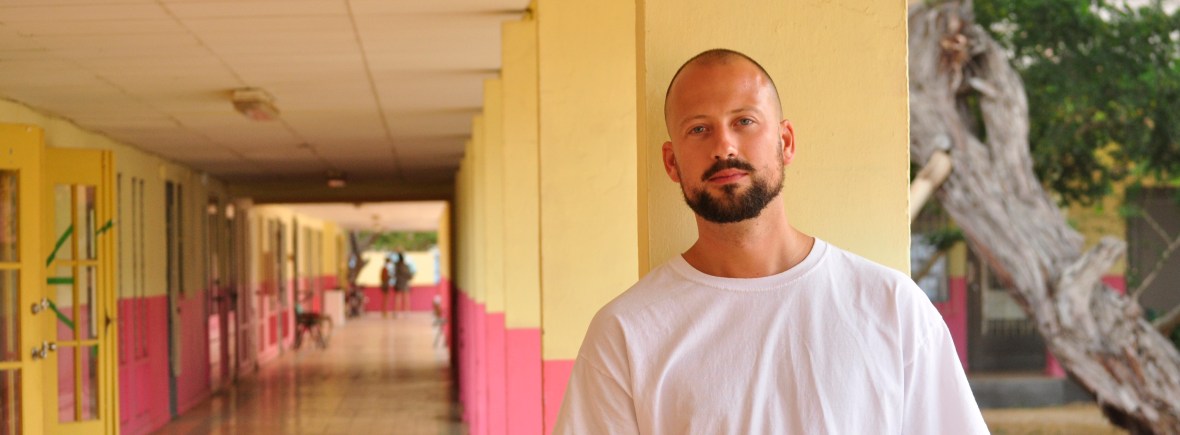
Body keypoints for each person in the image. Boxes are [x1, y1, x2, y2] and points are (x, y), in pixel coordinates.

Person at [553, 49, 988, 434]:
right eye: (699, 129)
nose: (724, 146)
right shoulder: (625, 333)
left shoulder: (892, 307)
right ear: (671, 163)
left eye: (744, 121)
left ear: (785, 142)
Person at [393, 250, 415, 318]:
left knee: (398, 298)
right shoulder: (404, 266)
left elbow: (395, 274)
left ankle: (397, 312)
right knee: (405, 298)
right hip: (404, 283)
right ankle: (406, 312)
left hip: (399, 283)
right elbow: (408, 274)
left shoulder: (396, 266)